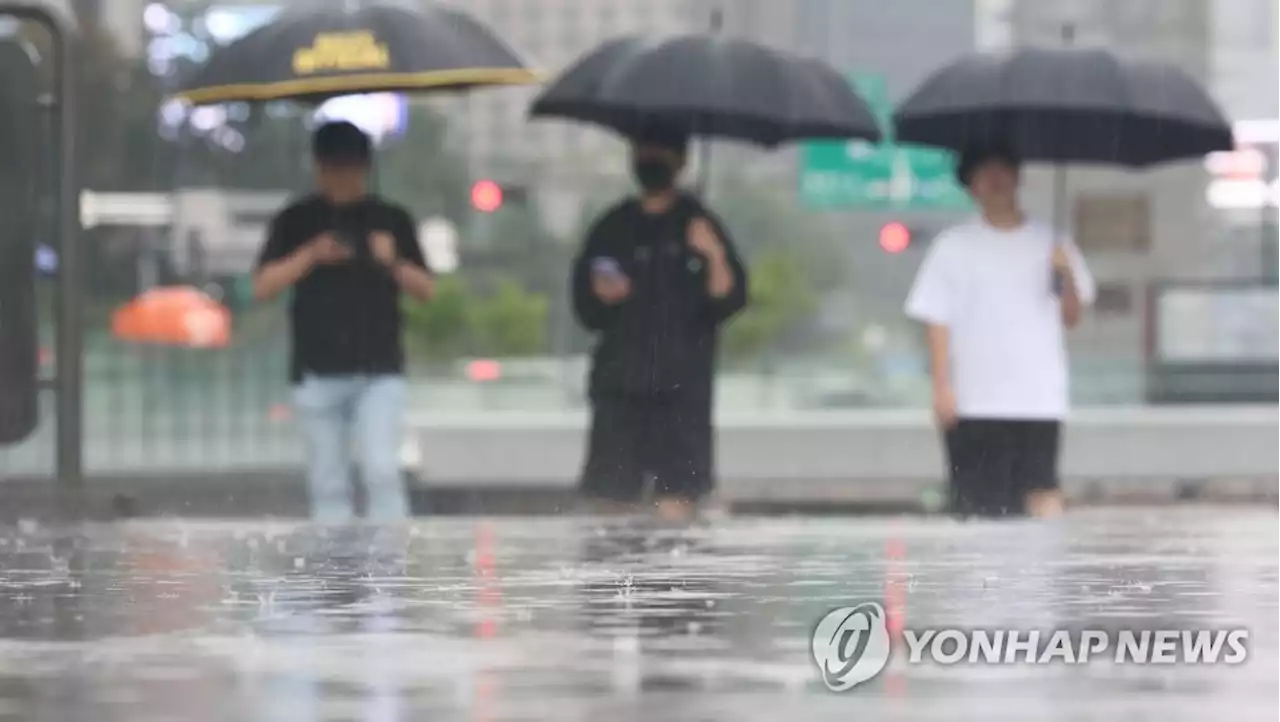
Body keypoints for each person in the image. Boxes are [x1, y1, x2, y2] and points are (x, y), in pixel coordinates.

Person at [252, 121, 435, 523]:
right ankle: (332, 574)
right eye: (332, 169)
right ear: (317, 168)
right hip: (316, 371)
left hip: (379, 370)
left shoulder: (391, 219)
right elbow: (263, 285)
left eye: (349, 169)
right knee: (327, 482)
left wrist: (391, 261)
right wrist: (311, 256)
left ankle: (386, 573)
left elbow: (426, 289)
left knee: (382, 470)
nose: (340, 179)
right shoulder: (296, 220)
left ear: (365, 168)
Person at [904, 143, 1096, 519]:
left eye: (1003, 170)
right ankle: (981, 581)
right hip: (975, 400)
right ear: (970, 184)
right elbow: (937, 320)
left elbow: (1071, 316)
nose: (996, 180)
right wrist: (942, 387)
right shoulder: (953, 246)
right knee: (978, 506)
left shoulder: (1053, 242)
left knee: (1042, 495)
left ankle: (1045, 576)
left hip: (1038, 397)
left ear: (1018, 177)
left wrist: (1066, 272)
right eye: (984, 172)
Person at [570, 124, 748, 521]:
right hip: (620, 386)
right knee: (611, 506)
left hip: (682, 392)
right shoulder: (612, 227)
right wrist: (601, 294)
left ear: (682, 161)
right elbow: (584, 309)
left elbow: (729, 299)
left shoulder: (700, 225)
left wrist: (713, 253)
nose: (651, 158)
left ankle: (673, 583)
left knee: (678, 504)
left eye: (661, 150)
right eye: (643, 148)